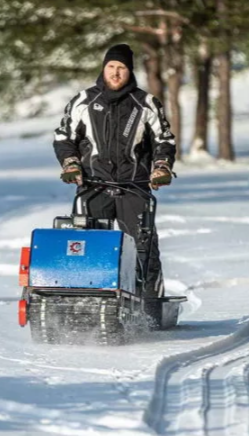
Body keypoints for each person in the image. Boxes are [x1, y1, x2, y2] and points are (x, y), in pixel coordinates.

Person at [53, 43, 176, 297]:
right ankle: (87, 298)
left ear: (130, 71)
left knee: (144, 246)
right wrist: (70, 163)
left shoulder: (146, 103)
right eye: (111, 66)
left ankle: (150, 303)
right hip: (93, 186)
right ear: (103, 68)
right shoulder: (83, 101)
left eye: (122, 67)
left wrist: (161, 166)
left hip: (134, 187)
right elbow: (63, 137)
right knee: (87, 245)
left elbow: (164, 141)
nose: (116, 73)